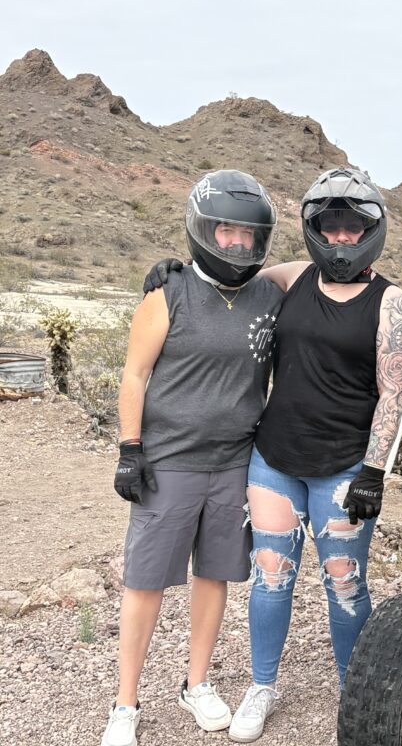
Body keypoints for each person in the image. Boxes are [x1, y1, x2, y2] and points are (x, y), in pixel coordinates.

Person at [226, 167, 402, 742]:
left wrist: (375, 472)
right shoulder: (295, 277)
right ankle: (261, 687)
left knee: (345, 580)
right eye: (329, 228)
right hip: (275, 459)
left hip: (345, 466)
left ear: (371, 231)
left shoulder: (392, 302)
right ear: (314, 229)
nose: (339, 239)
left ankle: (351, 691)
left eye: (351, 228)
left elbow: (395, 393)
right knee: (270, 576)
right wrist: (178, 275)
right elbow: (234, 272)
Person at [102, 170, 283, 746]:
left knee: (215, 574)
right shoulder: (168, 292)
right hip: (170, 461)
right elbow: (134, 374)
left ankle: (196, 684)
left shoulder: (268, 293)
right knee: (146, 580)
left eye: (247, 235)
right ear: (204, 229)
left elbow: (315, 272)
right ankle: (125, 705)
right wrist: (130, 449)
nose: (236, 244)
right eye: (225, 231)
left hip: (235, 463)